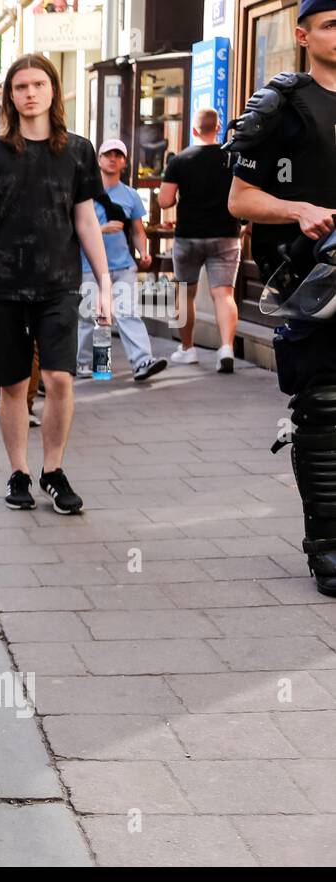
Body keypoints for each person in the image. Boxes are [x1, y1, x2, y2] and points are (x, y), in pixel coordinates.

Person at [0, 54, 111, 515]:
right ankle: (19, 471)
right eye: (20, 86)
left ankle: (54, 470)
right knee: (13, 384)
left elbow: (86, 220)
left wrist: (105, 283)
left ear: (52, 90)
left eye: (38, 84)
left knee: (60, 377)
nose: (29, 93)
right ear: (10, 96)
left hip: (60, 282)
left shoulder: (78, 151)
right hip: (2, 286)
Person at [227, 0, 336, 597]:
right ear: (303, 35)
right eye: (330, 24)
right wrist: (298, 209)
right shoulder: (282, 107)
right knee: (322, 410)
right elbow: (239, 200)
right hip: (311, 282)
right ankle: (326, 546)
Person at [160, 107, 243, 372]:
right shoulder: (233, 158)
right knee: (223, 294)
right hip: (226, 234)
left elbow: (165, 201)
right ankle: (227, 348)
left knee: (185, 293)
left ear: (194, 130)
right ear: (218, 129)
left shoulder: (180, 160)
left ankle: (187, 349)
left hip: (189, 236)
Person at [78, 139, 166, 382]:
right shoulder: (84, 194)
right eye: (108, 154)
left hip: (123, 265)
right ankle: (91, 364)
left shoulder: (131, 195)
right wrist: (101, 229)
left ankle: (142, 361)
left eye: (119, 155)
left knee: (128, 313)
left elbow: (137, 230)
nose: (113, 158)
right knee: (94, 317)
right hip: (90, 266)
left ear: (125, 163)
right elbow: (75, 228)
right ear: (99, 160)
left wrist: (143, 252)